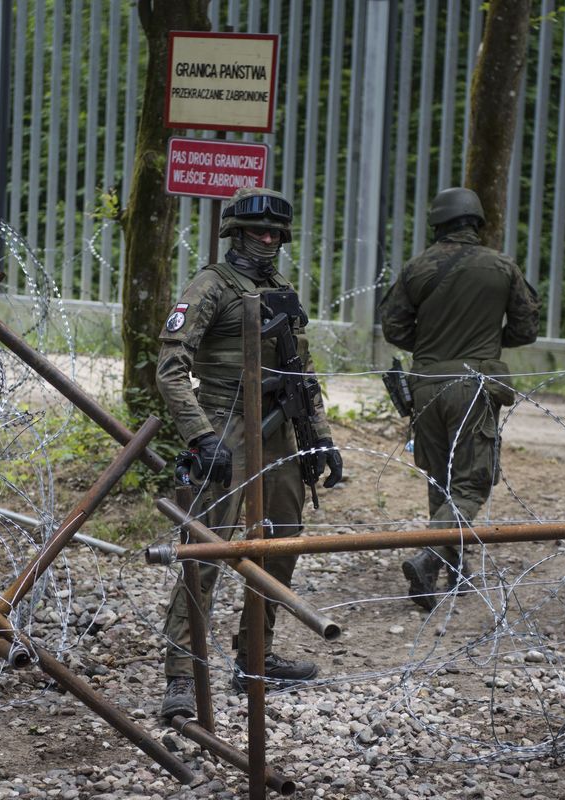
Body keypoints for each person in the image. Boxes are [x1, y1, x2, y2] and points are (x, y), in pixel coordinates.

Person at [155, 186, 344, 720]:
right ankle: (181, 675)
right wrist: (201, 435)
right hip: (226, 425)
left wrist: (321, 437)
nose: (268, 240)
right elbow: (170, 368)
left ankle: (254, 656)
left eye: (276, 234)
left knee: (282, 544)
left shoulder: (281, 288)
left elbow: (302, 375)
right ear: (235, 233)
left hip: (282, 428)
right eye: (258, 232)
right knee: (207, 551)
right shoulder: (211, 286)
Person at [379, 187, 540, 610]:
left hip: (426, 384)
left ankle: (451, 569)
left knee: (441, 476)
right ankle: (432, 555)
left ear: (438, 223)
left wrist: (433, 343)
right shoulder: (501, 266)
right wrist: (486, 340)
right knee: (472, 481)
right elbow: (526, 328)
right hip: (474, 383)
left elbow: (394, 328)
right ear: (477, 222)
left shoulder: (417, 268)